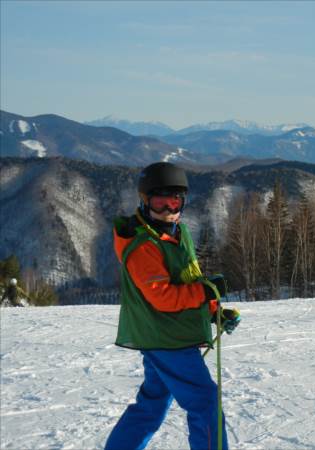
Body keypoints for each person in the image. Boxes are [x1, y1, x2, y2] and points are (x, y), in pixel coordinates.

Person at [105, 162, 240, 450]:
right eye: (159, 202)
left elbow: (190, 278)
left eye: (174, 201)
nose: (168, 209)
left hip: (165, 335)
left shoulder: (178, 232)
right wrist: (204, 293)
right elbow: (163, 297)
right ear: (145, 201)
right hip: (167, 338)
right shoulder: (145, 246)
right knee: (205, 403)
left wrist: (214, 311)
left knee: (152, 404)